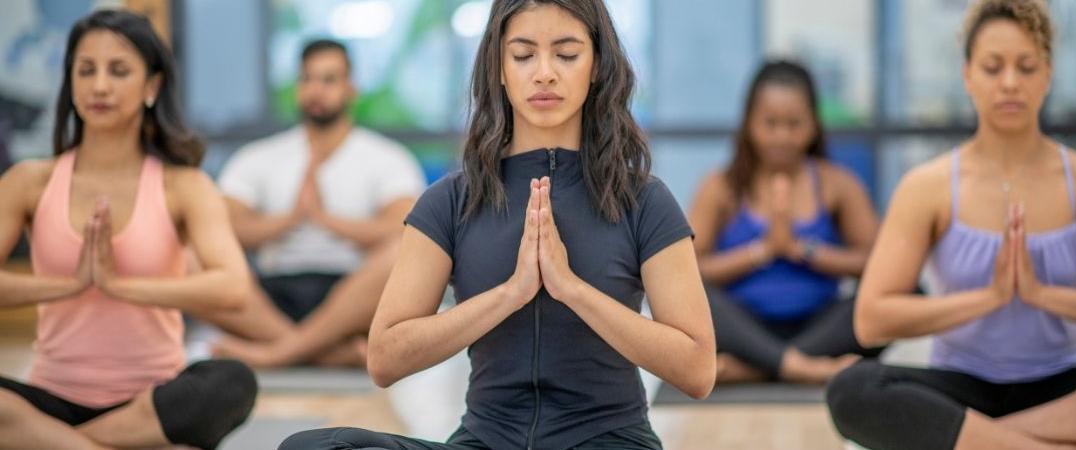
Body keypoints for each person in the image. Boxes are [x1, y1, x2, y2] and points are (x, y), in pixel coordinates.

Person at [280, 0, 716, 449]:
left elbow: (698, 370)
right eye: (523, 55)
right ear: (500, 68)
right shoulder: (451, 201)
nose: (544, 73)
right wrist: (511, 293)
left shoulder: (642, 198)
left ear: (597, 65)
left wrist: (571, 288)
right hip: (486, 439)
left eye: (566, 55)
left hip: (609, 439)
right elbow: (385, 358)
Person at [826, 1, 1076, 449]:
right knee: (852, 388)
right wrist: (989, 298)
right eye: (992, 66)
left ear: (1047, 74)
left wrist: (1040, 295)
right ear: (968, 76)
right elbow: (871, 320)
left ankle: (987, 441)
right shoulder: (929, 186)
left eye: (1025, 67)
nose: (1009, 83)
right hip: (962, 390)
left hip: (1062, 387)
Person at [0, 9, 256, 450]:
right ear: (72, 83)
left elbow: (233, 287)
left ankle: (51, 444)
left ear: (152, 86)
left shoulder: (185, 186)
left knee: (232, 381)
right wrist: (68, 285)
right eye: (86, 70)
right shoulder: (29, 181)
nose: (99, 85)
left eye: (118, 71)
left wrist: (120, 286)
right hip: (51, 397)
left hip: (152, 405)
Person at [208, 39, 426, 368]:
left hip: (352, 295)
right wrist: (290, 219)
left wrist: (326, 219)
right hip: (272, 295)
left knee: (403, 252)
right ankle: (324, 353)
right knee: (196, 256)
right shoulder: (258, 156)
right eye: (307, 79)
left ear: (351, 88)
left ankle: (278, 353)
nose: (316, 90)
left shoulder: (387, 157)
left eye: (328, 80)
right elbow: (222, 227)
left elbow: (406, 230)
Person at [687, 60, 881, 385]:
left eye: (794, 124)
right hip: (741, 327)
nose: (782, 136)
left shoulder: (838, 184)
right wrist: (763, 250)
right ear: (749, 124)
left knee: (906, 290)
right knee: (691, 297)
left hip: (820, 325)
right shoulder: (720, 186)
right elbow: (690, 270)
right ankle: (800, 366)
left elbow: (877, 262)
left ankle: (760, 367)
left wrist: (800, 249)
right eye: (770, 123)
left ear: (814, 125)